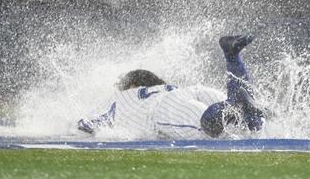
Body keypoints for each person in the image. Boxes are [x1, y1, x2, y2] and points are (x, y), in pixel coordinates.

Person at [77, 35, 265, 139]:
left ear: (133, 85)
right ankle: (233, 58)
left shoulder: (124, 99)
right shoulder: (164, 88)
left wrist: (82, 124)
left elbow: (88, 125)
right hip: (192, 91)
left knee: (209, 127)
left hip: (165, 109)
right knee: (250, 124)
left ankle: (237, 101)